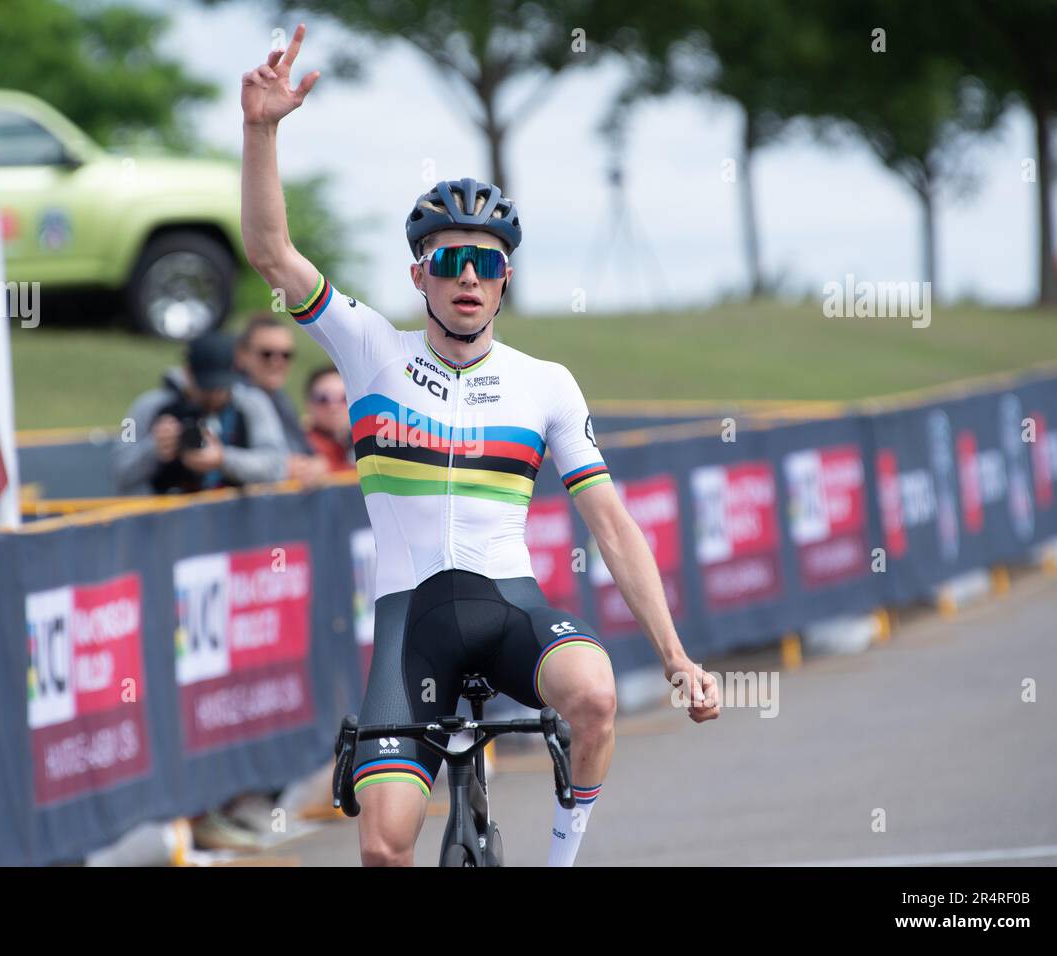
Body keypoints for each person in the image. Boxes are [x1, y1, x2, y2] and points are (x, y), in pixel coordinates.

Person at [241, 24, 720, 868]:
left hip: (510, 608)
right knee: (386, 851)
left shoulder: (547, 383)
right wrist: (263, 132)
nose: (468, 276)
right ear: (419, 275)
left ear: (505, 280)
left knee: (596, 698)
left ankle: (561, 859)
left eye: (485, 263)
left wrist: (676, 656)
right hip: (410, 620)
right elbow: (273, 255)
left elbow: (610, 525)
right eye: (450, 259)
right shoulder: (369, 351)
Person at [111, 331, 290, 495]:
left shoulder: (254, 404)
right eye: (206, 386)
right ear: (188, 372)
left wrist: (223, 459)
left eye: (220, 387)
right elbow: (119, 470)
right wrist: (154, 448)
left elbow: (277, 465)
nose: (213, 395)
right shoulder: (145, 407)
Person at [235, 313, 332, 487]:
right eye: (267, 354)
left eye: (286, 354)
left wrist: (315, 466)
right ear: (242, 356)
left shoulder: (281, 399)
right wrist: (282, 468)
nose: (277, 362)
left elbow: (310, 454)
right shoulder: (230, 400)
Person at [303, 365, 355, 471]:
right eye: (323, 399)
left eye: (344, 398)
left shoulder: (371, 442)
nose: (334, 407)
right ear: (308, 404)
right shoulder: (300, 445)